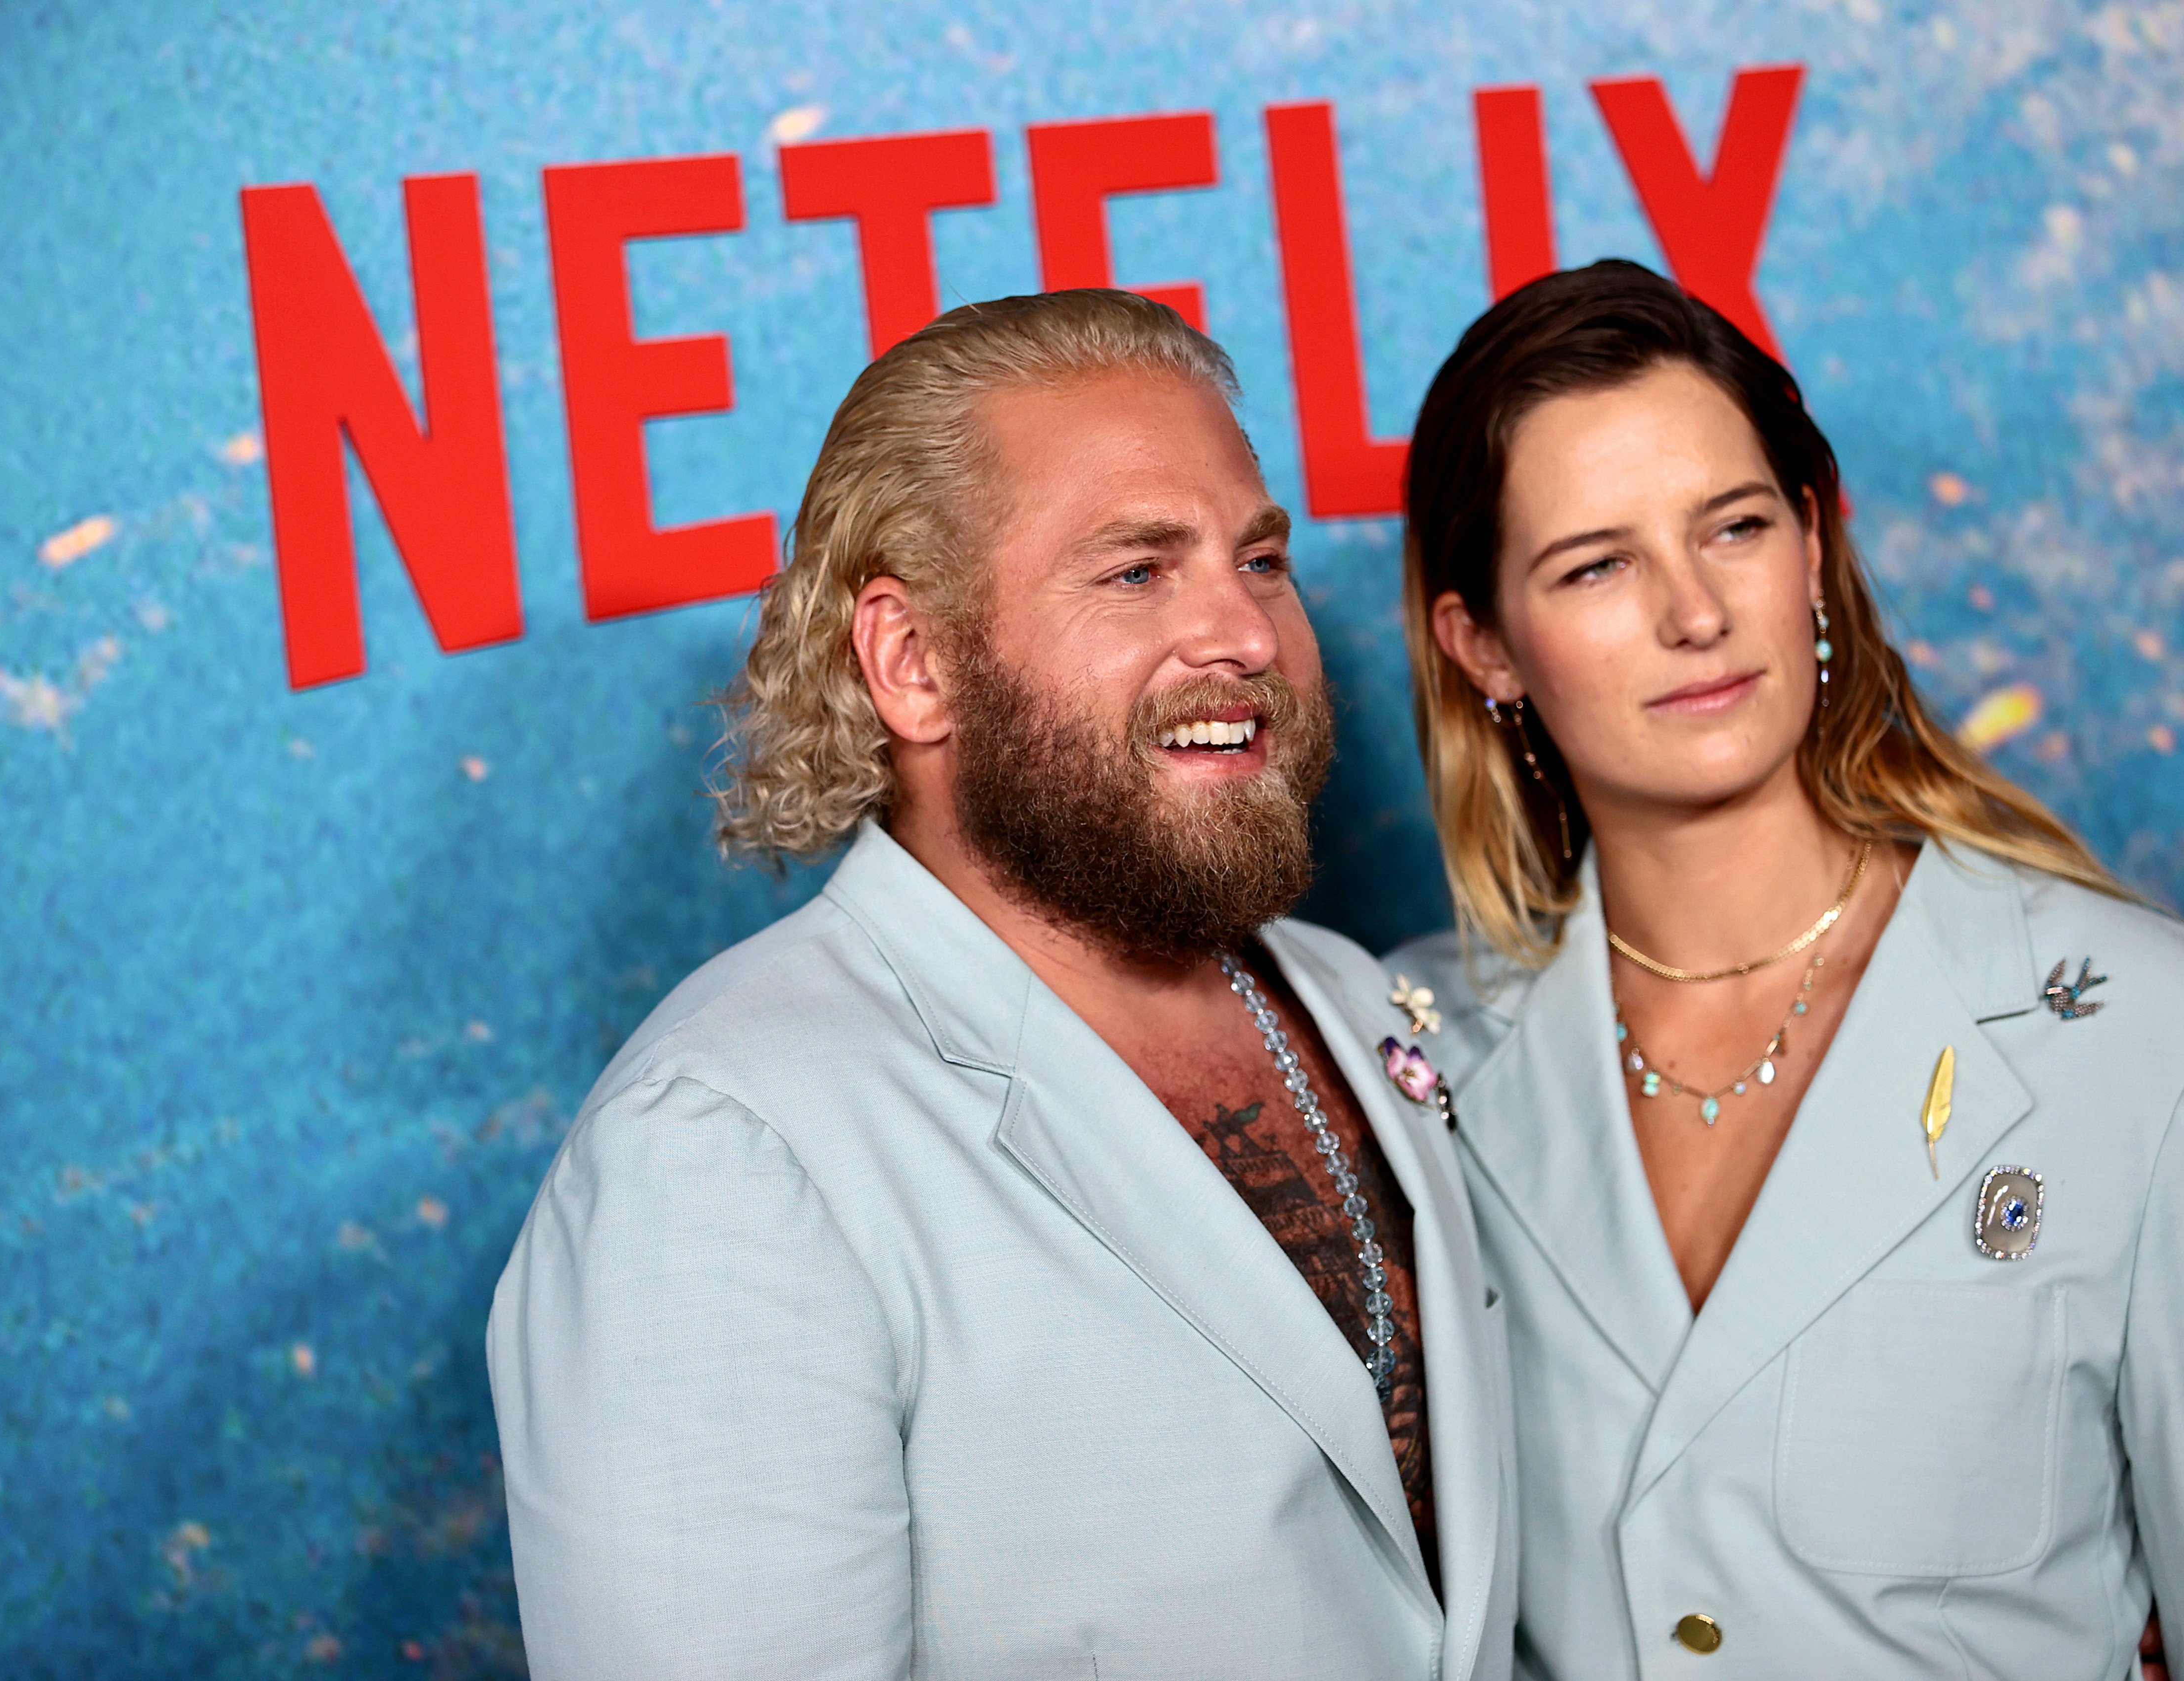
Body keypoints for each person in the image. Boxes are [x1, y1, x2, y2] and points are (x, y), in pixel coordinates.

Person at [486, 290, 1515, 1680]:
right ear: (912, 664)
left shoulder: (1345, 995)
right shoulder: (726, 1153)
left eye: (1258, 557)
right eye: (1138, 571)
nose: (1249, 633)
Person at [1385, 260, 2184, 1679]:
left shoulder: (2171, 1048)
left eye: (1731, 527)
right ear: (1483, 642)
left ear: (1809, 546)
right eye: (1596, 564)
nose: (1693, 611)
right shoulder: (1407, 1069)